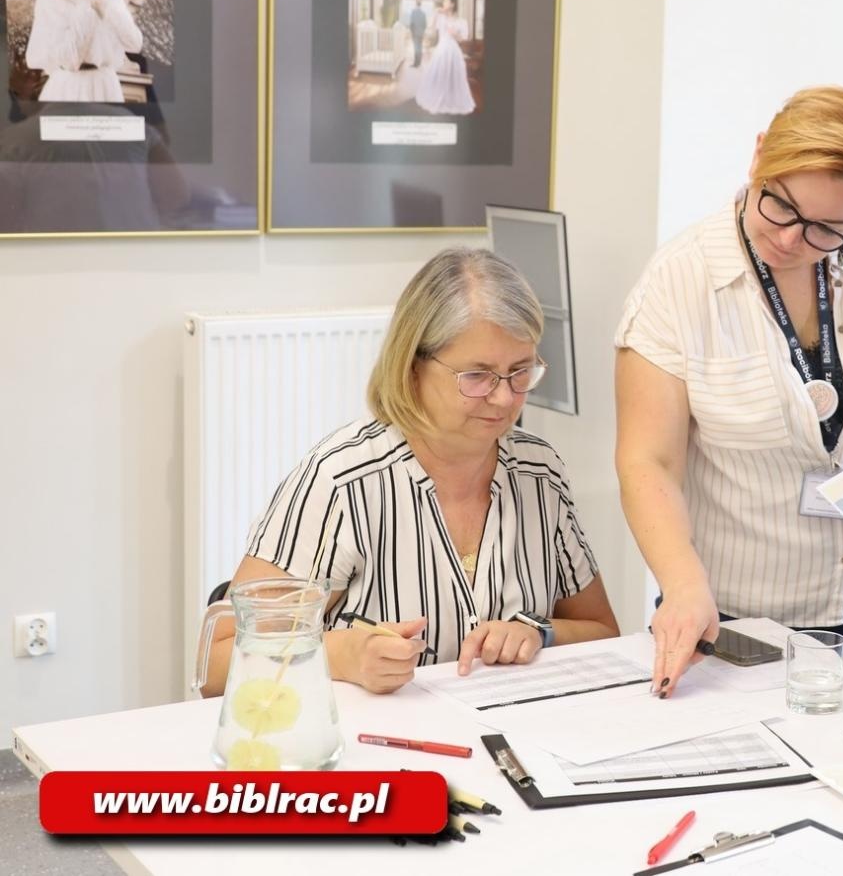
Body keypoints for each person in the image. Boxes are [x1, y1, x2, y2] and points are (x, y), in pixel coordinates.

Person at [615, 86, 843, 696]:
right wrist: (684, 584)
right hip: (737, 609)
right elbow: (649, 460)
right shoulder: (680, 282)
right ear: (759, 157)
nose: (792, 240)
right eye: (780, 206)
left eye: (828, 229)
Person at [199, 248, 619, 697]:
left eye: (520, 372)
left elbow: (602, 630)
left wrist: (540, 633)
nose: (503, 398)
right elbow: (214, 668)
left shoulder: (540, 473)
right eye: (477, 376)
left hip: (504, 740)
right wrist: (339, 656)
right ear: (413, 367)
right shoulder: (343, 481)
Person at [414, 0, 474, 115]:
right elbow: (431, 27)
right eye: (444, 0)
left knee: (453, 75)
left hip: (454, 51)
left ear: (452, 4)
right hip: (441, 50)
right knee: (440, 74)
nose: (444, 3)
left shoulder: (461, 21)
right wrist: (436, 12)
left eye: (446, 1)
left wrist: (455, 34)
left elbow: (462, 39)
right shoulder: (441, 17)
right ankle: (439, 97)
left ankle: (451, 99)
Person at [408, 3, 428, 67]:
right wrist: (422, 31)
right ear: (420, 5)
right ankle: (419, 62)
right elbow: (425, 24)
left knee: (416, 48)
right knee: (420, 47)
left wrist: (411, 31)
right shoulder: (423, 13)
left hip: (415, 32)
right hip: (421, 33)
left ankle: (415, 63)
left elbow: (411, 23)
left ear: (416, 5)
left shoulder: (413, 12)